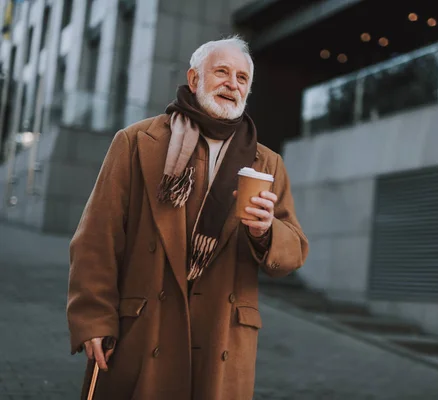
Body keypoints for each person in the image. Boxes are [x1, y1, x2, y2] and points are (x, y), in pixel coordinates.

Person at [66, 35, 309, 400]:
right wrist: (94, 318)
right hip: (146, 328)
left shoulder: (266, 163)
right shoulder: (137, 142)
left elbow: (293, 249)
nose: (232, 84)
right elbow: (97, 237)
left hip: (221, 338)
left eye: (242, 78)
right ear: (194, 80)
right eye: (222, 72)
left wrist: (265, 232)